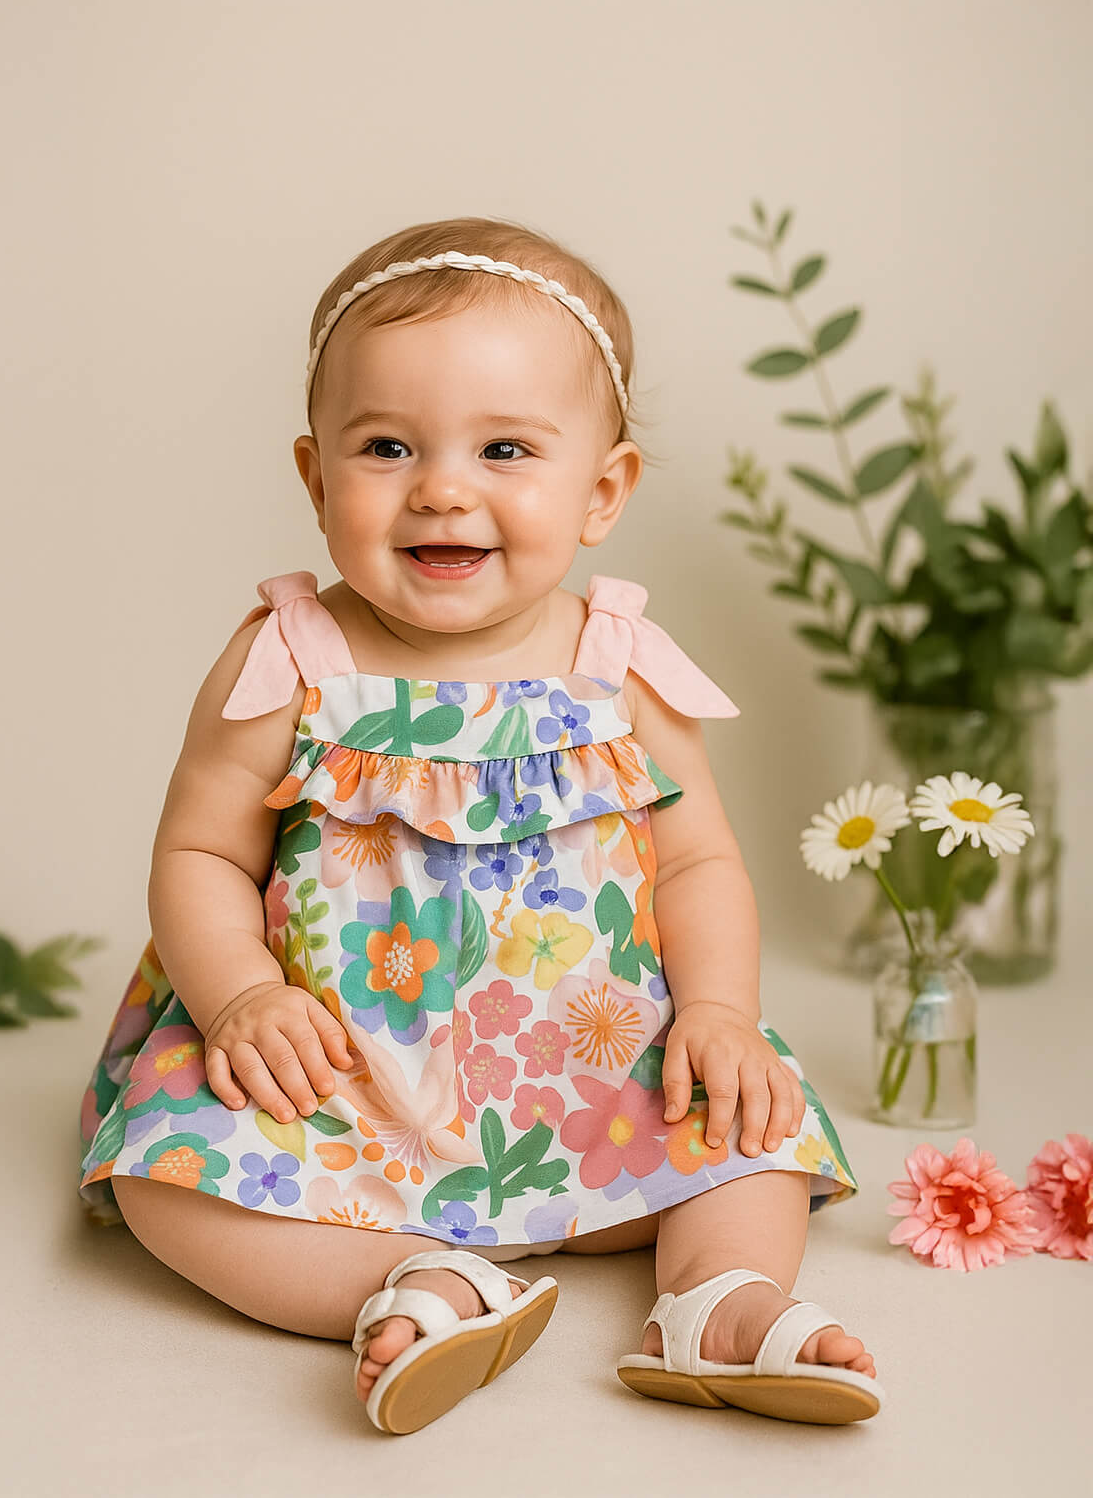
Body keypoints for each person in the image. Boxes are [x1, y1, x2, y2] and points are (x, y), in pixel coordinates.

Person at [78, 217, 884, 1434]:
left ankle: (719, 1297)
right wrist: (241, 997)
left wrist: (718, 1014)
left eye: (505, 448)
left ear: (602, 491)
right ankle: (417, 1279)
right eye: (387, 447)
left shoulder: (619, 668)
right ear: (317, 479)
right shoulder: (288, 660)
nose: (443, 488)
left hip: (589, 1076)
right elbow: (200, 853)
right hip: (342, 1079)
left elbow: (699, 861)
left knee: (749, 1125)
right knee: (167, 1179)